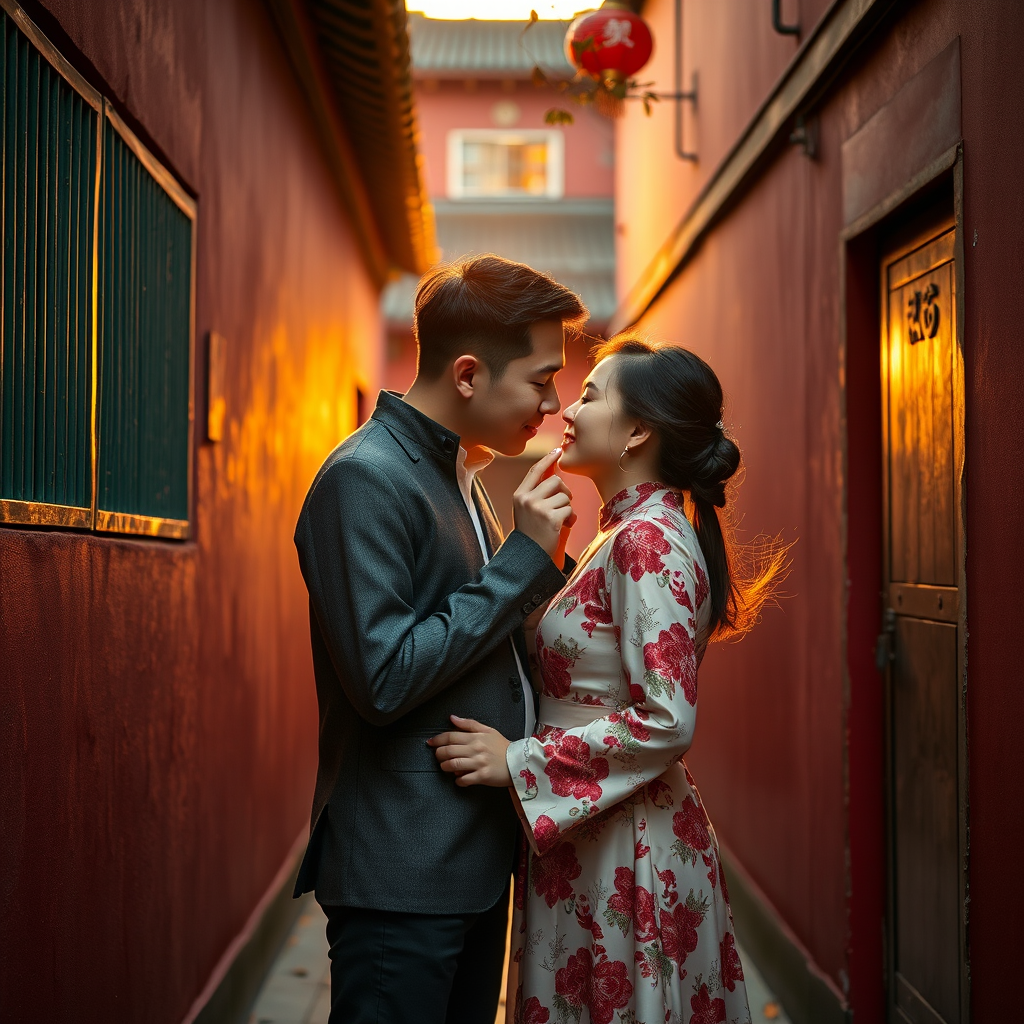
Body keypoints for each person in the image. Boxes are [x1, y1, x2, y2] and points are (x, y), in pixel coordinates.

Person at [431, 334, 786, 1024]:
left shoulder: (645, 540)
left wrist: (519, 761)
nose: (567, 408)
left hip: (625, 846)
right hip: (598, 831)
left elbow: (667, 718)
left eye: (590, 395)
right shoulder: (624, 532)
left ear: (637, 430)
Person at [292, 254, 589, 1024]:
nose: (553, 403)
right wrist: (522, 559)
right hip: (402, 874)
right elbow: (384, 677)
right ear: (466, 375)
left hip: (470, 864)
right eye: (539, 378)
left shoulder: (455, 469)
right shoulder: (365, 477)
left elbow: (489, 640)